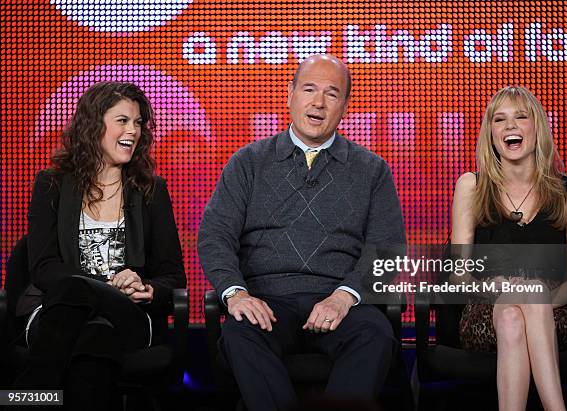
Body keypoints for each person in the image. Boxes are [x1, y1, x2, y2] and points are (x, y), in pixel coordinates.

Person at [198, 54, 406, 411]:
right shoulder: (248, 162)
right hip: (267, 301)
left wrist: (345, 296)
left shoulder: (372, 170)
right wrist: (236, 294)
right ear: (290, 94)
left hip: (338, 302)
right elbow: (215, 236)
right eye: (309, 89)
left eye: (332, 93)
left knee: (375, 333)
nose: (318, 102)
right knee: (239, 333)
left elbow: (387, 251)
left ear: (345, 105)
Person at [14, 81, 186, 410]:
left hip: (130, 314)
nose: (133, 131)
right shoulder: (51, 185)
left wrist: (146, 288)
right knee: (94, 341)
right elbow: (44, 268)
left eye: (138, 123)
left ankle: (27, 396)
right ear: (94, 124)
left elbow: (173, 275)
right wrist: (101, 286)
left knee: (82, 303)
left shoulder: (151, 191)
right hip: (58, 313)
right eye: (122, 120)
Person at [451, 86, 567, 411]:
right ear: (491, 134)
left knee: (521, 311)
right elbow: (459, 276)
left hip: (555, 312)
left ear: (536, 127)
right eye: (499, 120)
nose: (510, 126)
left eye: (520, 117)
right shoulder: (470, 186)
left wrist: (537, 299)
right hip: (486, 308)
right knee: (511, 314)